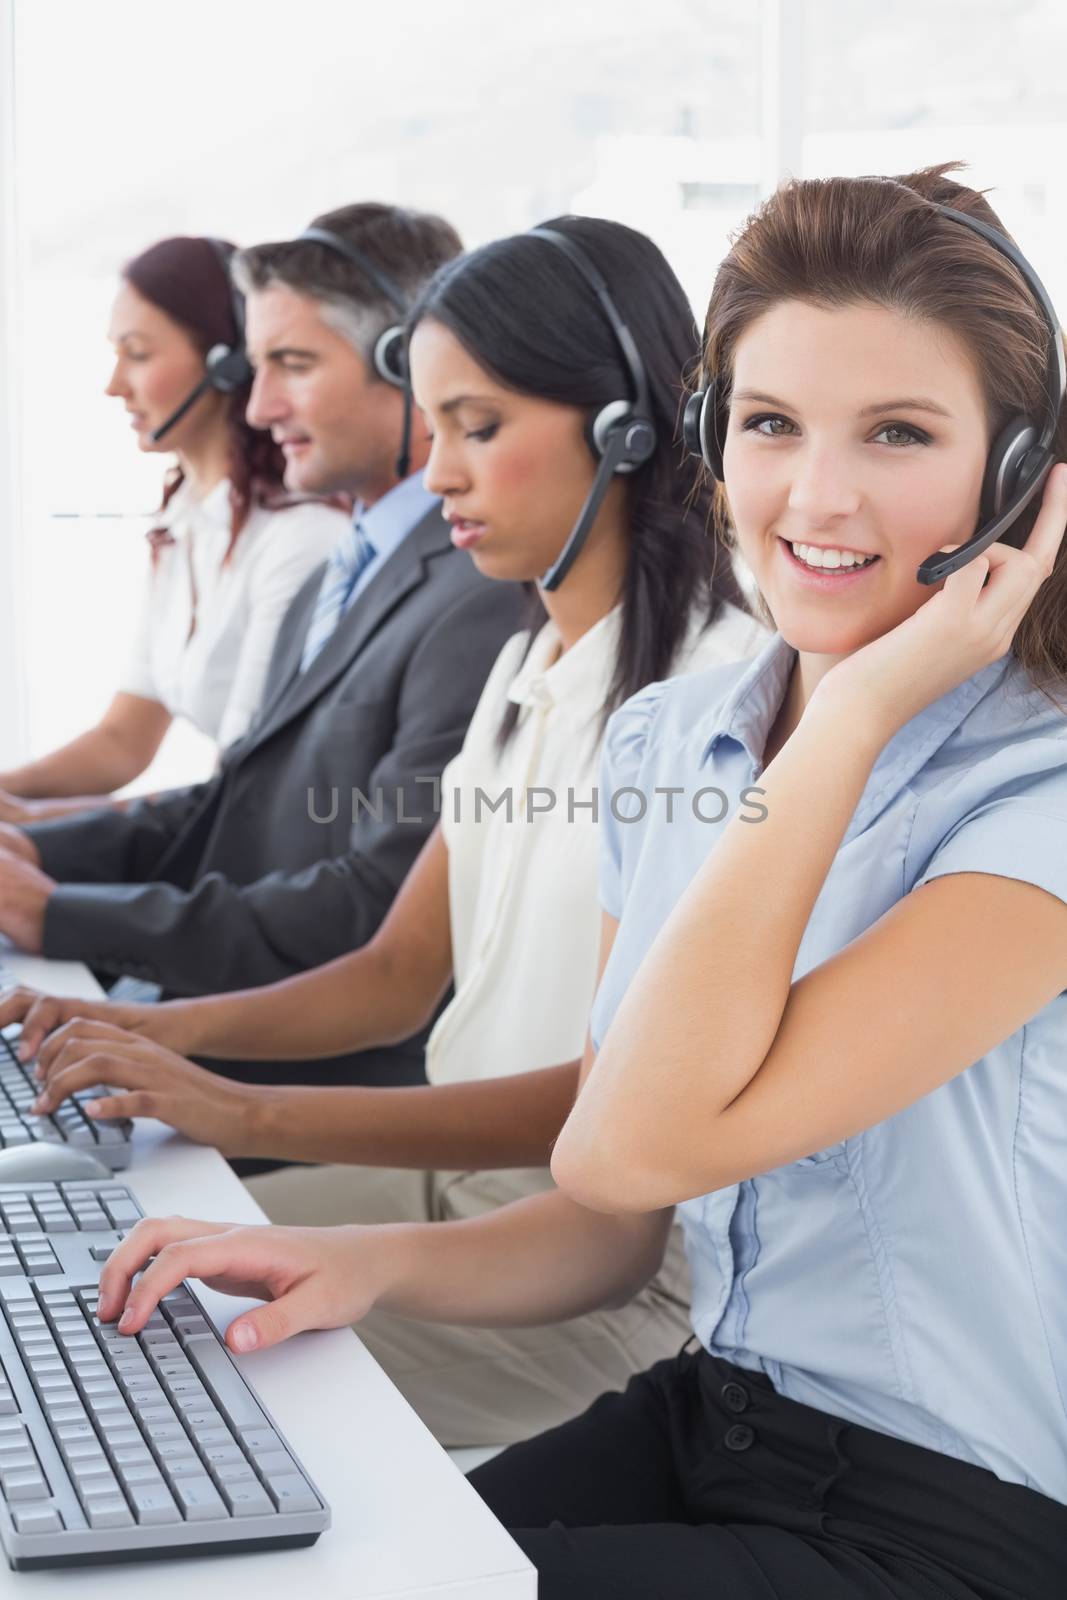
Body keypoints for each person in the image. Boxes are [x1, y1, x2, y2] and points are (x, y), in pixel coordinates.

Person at [51, 164, 1067, 1597]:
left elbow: (617, 1148)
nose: (816, 494)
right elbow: (602, 1225)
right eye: (769, 424)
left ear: (1018, 475)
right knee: (266, 1552)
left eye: (897, 433)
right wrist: (370, 1270)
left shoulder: (1033, 804)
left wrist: (844, 718)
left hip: (949, 1514)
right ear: (711, 435)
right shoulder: (680, 734)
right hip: (714, 1410)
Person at [0, 216, 765, 1446]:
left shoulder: (715, 701)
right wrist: (136, 1036)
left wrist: (236, 1108)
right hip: (453, 1194)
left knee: (147, 1377)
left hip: (606, 1272)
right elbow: (393, 975)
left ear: (627, 428)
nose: (443, 471)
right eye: (438, 424)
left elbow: (601, 1098)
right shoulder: (528, 660)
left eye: (480, 426)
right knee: (69, 1281)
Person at [0, 203, 522, 1099]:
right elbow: (236, 801)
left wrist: (63, 913)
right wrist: (40, 861)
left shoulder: (479, 600)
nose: (257, 404)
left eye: (294, 364)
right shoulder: (350, 568)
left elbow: (366, 903)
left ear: (409, 363)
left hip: (327, 1086)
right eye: (258, 364)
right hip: (226, 1042)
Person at [0, 236, 345, 822]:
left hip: (260, 854)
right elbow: (122, 742)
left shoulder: (299, 537)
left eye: (137, 354)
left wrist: (33, 829)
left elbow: (238, 795)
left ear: (228, 362)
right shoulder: (188, 516)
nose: (114, 384)